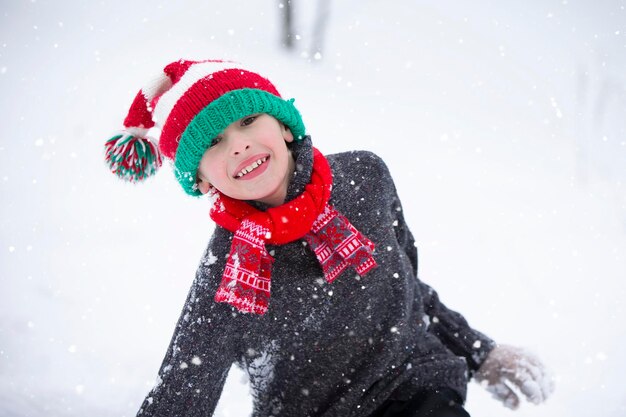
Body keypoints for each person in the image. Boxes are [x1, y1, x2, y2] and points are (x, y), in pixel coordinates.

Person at [105, 59, 554, 417]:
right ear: (201, 180)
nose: (238, 145)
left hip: (416, 386)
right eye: (213, 142)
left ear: (284, 125)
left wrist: (477, 350)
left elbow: (405, 288)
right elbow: (184, 389)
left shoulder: (365, 178)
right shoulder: (230, 273)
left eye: (248, 121)